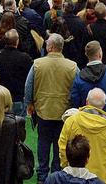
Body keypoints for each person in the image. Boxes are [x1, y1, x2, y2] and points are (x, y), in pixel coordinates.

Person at [25, 34, 80, 183]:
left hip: (43, 110)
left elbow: (28, 86)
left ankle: (42, 175)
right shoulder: (73, 66)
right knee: (60, 144)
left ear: (50, 47)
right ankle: (57, 172)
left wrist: (29, 104)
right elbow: (77, 88)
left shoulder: (37, 64)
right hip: (64, 112)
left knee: (43, 142)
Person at [59, 88, 106, 184]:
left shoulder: (71, 121)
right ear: (104, 105)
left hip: (78, 177)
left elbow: (63, 148)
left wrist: (65, 167)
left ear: (86, 101)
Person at [0, 30, 33, 115]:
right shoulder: (24, 58)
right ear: (17, 41)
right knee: (18, 124)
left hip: (1, 97)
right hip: (18, 98)